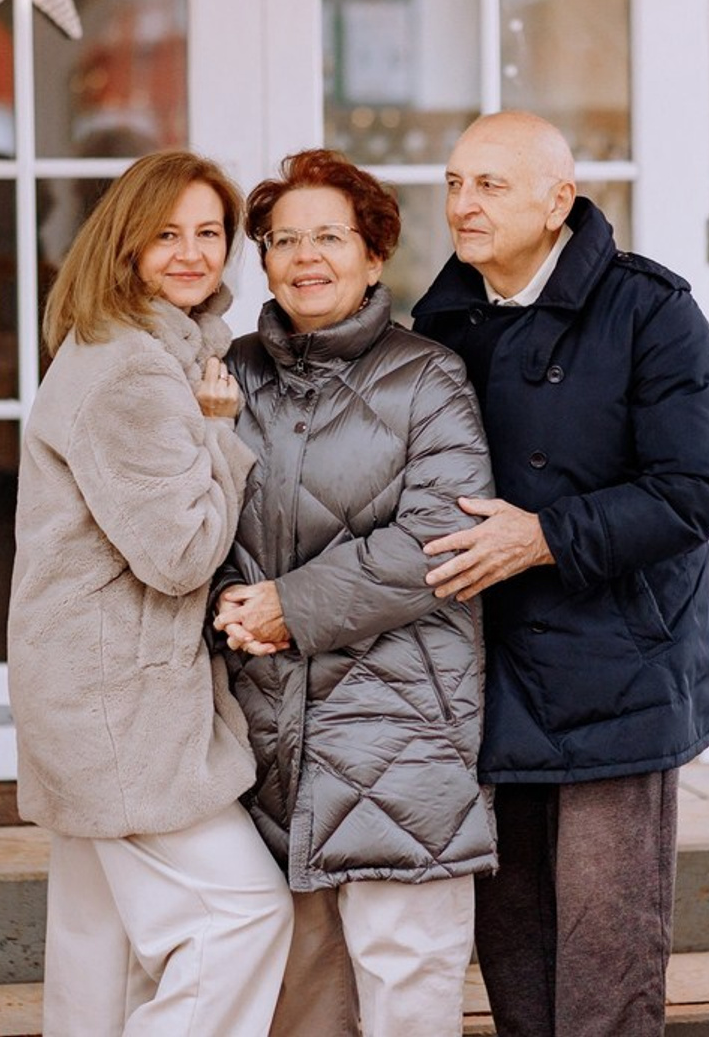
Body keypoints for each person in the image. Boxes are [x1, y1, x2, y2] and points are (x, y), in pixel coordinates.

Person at [412, 111, 709, 1037]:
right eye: (454, 183)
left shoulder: (650, 309)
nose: (463, 206)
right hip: (490, 670)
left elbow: (696, 490)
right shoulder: (441, 319)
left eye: (490, 185)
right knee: (513, 955)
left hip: (619, 672)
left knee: (606, 965)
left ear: (559, 203)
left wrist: (545, 537)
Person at [211, 148, 497, 1037]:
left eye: (329, 237)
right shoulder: (230, 372)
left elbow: (435, 542)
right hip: (263, 734)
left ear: (374, 255)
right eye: (284, 240)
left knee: (406, 986)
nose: (306, 258)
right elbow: (193, 509)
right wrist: (230, 599)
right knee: (296, 1004)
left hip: (400, 727)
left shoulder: (428, 377)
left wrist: (291, 606)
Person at [7, 150, 292, 1036]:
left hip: (88, 689)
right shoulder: (132, 369)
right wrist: (218, 435)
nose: (192, 253)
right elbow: (178, 553)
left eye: (209, 233)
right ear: (125, 244)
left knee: (101, 953)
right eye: (166, 234)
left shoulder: (128, 348)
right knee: (244, 914)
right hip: (118, 704)